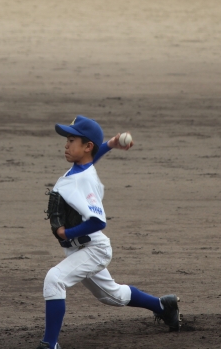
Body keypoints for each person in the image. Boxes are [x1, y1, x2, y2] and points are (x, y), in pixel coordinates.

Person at [36, 115, 180, 349]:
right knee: (113, 296)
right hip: (80, 249)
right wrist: (110, 144)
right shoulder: (81, 167)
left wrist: (66, 233)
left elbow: (97, 222)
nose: (66, 144)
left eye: (72, 140)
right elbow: (91, 159)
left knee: (54, 280)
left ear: (87, 146)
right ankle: (164, 306)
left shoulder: (84, 181)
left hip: (93, 248)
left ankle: (49, 344)